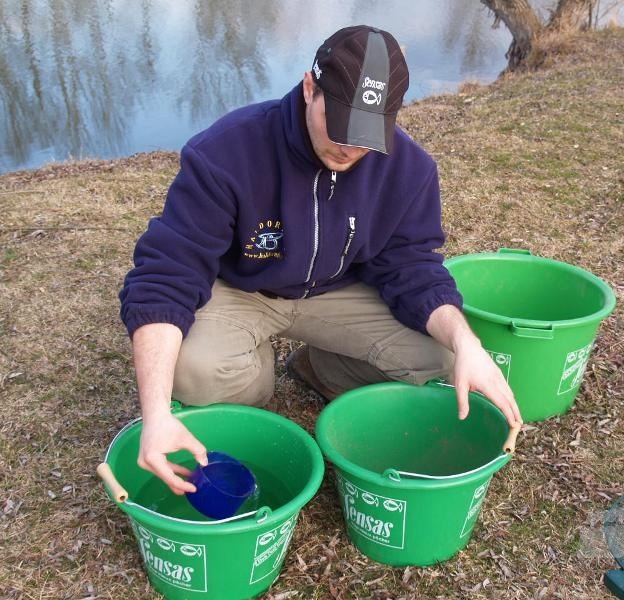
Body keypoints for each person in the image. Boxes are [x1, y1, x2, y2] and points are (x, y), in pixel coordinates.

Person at [119, 25, 522, 496]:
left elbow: (413, 269)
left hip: (338, 291)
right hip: (242, 290)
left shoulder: (410, 169)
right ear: (311, 88)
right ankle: (252, 387)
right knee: (196, 368)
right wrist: (156, 414)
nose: (350, 148)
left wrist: (467, 344)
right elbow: (167, 274)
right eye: (341, 124)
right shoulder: (227, 152)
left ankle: (321, 367)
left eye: (368, 134)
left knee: (444, 356)